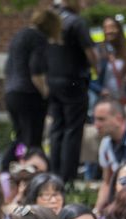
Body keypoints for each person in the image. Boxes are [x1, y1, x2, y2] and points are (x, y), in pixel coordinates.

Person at [45, 0, 97, 184]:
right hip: (74, 81)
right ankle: (67, 179)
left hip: (53, 81)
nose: (84, 4)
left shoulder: (52, 20)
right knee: (73, 129)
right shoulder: (76, 22)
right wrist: (97, 68)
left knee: (57, 128)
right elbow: (90, 51)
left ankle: (55, 175)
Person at [2, 8, 61, 171]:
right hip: (29, 95)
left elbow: (7, 68)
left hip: (12, 93)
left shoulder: (19, 36)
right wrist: (46, 92)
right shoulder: (38, 38)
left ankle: (7, 167)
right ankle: (34, 171)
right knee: (33, 141)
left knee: (21, 137)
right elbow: (36, 71)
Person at [92, 16, 126, 105]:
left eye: (112, 27)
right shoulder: (99, 50)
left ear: (118, 29)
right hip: (105, 101)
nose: (109, 31)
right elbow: (87, 77)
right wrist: (100, 89)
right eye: (106, 28)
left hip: (123, 99)